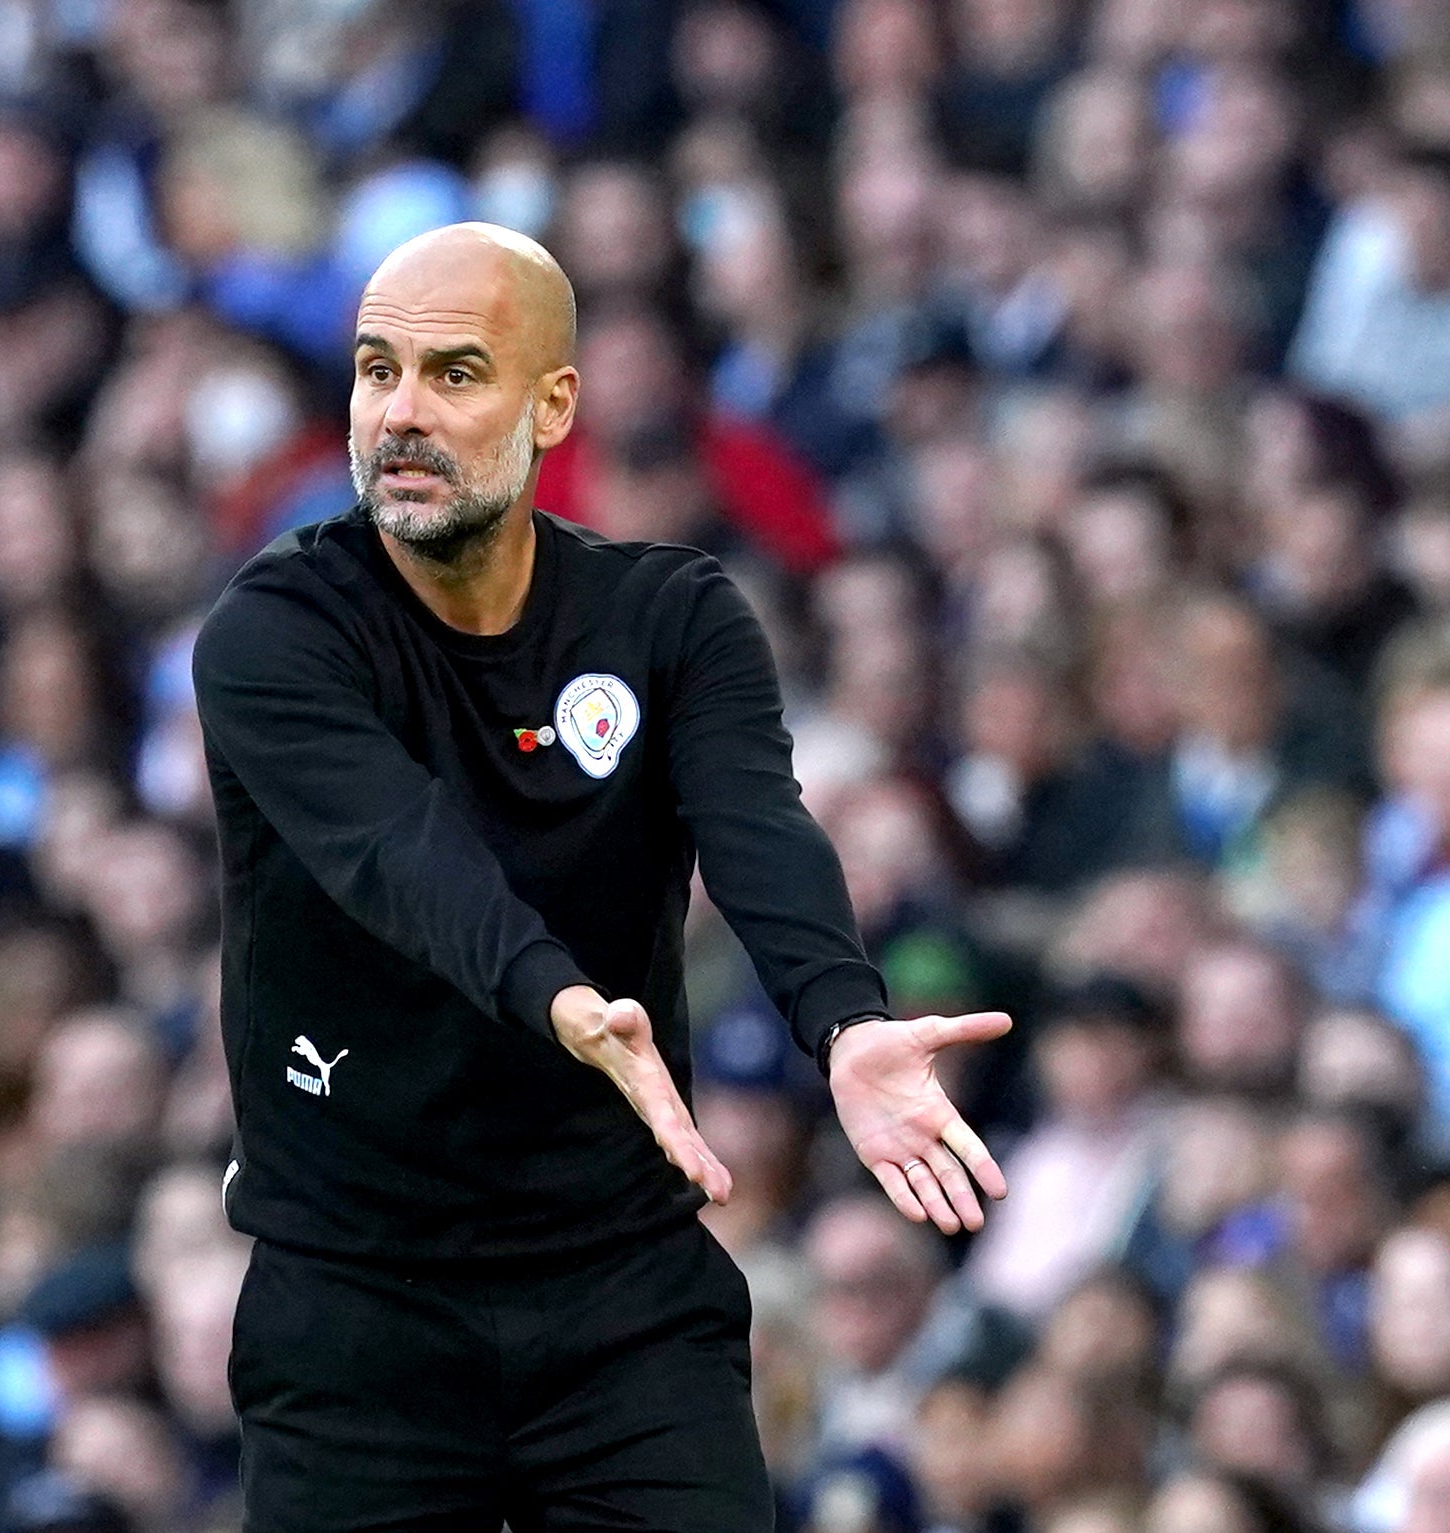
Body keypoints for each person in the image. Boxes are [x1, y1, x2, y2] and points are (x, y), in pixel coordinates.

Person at [190, 222, 1011, 1531]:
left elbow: (758, 827)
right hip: (361, 1301)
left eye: (453, 373)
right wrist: (561, 1000)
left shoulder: (671, 617)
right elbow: (397, 851)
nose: (399, 413)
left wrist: (842, 1018)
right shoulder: (277, 630)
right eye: (373, 369)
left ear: (551, 403)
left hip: (621, 1287)